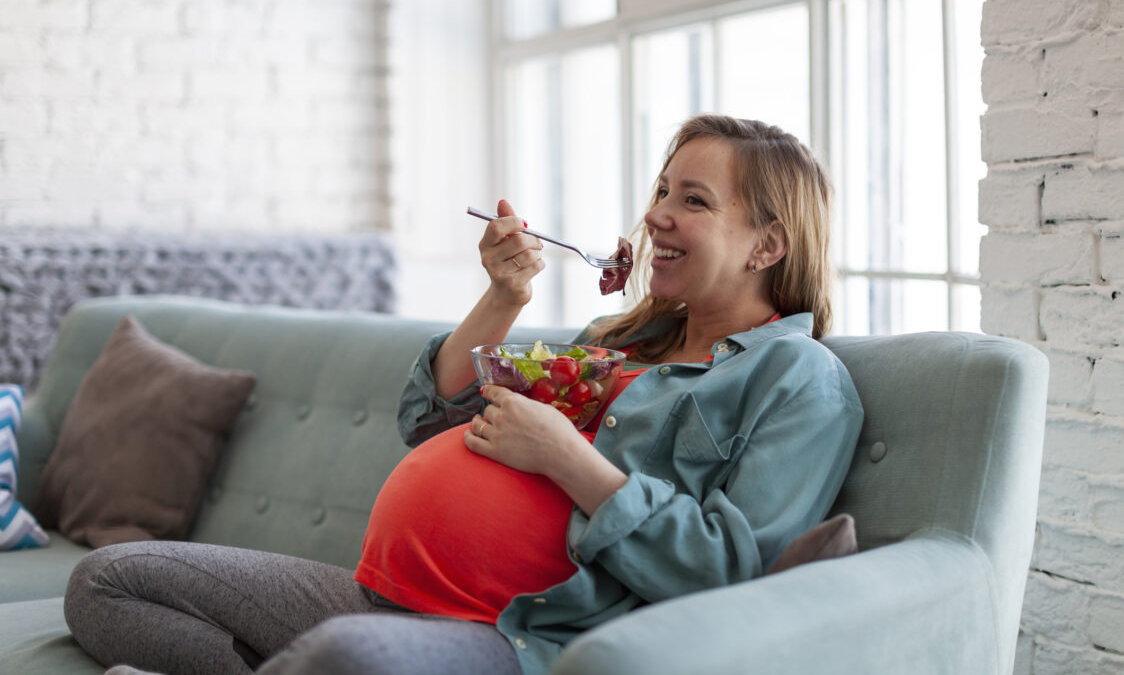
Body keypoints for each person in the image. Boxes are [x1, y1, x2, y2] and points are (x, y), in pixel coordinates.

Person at [64, 114, 863, 675]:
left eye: (693, 199)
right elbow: (429, 420)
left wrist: (565, 455)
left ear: (768, 242)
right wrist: (504, 297)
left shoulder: (796, 378)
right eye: (662, 190)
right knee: (107, 582)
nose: (655, 214)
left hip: (519, 636)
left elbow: (730, 570)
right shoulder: (616, 340)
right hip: (388, 594)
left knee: (347, 658)